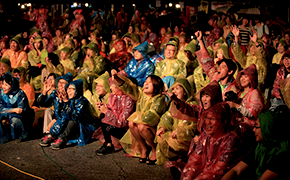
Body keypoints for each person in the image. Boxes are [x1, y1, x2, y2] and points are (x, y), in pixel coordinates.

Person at [114, 70, 167, 165]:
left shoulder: (159, 98)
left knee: (142, 126)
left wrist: (138, 117)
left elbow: (152, 117)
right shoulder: (141, 95)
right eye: (145, 82)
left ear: (156, 85)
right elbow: (128, 87)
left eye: (149, 83)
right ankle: (144, 148)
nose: (145, 84)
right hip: (141, 124)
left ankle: (154, 149)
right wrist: (116, 77)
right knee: (132, 123)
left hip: (154, 127)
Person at [222, 110, 290, 180]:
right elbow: (236, 170)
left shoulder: (283, 153)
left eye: (256, 127)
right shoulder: (260, 147)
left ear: (267, 129)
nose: (253, 130)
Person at [179, 102, 241, 180]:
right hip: (205, 173)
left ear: (224, 122)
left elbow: (219, 169)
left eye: (212, 119)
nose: (208, 122)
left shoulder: (230, 140)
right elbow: (195, 159)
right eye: (207, 118)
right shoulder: (206, 135)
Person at [40, 79, 97, 149]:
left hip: (84, 128)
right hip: (73, 128)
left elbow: (75, 116)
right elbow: (61, 115)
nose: (68, 91)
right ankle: (52, 135)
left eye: (71, 89)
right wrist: (61, 103)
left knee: (72, 120)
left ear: (77, 90)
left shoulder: (83, 102)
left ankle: (62, 138)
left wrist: (66, 102)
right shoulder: (70, 100)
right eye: (68, 89)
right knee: (64, 117)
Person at [155, 78, 197, 165]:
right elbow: (167, 117)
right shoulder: (173, 104)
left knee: (177, 139)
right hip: (173, 133)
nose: (174, 91)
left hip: (186, 135)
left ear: (185, 91)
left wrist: (180, 131)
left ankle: (183, 156)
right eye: (173, 89)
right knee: (161, 136)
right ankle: (178, 156)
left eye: (177, 89)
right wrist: (163, 127)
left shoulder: (192, 105)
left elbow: (194, 125)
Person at [95, 73, 136, 155]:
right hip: (116, 123)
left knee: (108, 126)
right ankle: (108, 144)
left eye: (113, 85)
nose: (110, 87)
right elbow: (112, 112)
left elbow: (122, 122)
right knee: (103, 116)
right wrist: (104, 107)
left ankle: (124, 144)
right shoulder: (112, 96)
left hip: (126, 129)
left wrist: (107, 111)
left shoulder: (128, 99)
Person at [195, 30, 238, 100]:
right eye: (219, 66)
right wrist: (200, 41)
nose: (219, 69)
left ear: (230, 71)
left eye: (223, 67)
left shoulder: (233, 88)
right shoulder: (215, 77)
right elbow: (207, 61)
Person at [231, 25, 268, 91]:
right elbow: (238, 54)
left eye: (254, 46)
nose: (252, 48)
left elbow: (261, 53)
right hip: (247, 87)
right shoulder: (247, 59)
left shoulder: (262, 59)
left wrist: (256, 42)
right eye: (251, 46)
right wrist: (236, 38)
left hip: (258, 88)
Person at [0, 74, 34, 143]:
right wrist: (13, 110)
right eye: (3, 84)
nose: (4, 87)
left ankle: (22, 134)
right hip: (10, 113)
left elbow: (20, 110)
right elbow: (1, 108)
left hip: (22, 117)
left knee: (15, 120)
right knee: (2, 119)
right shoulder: (2, 93)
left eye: (6, 85)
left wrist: (8, 112)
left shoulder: (20, 93)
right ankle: (6, 136)